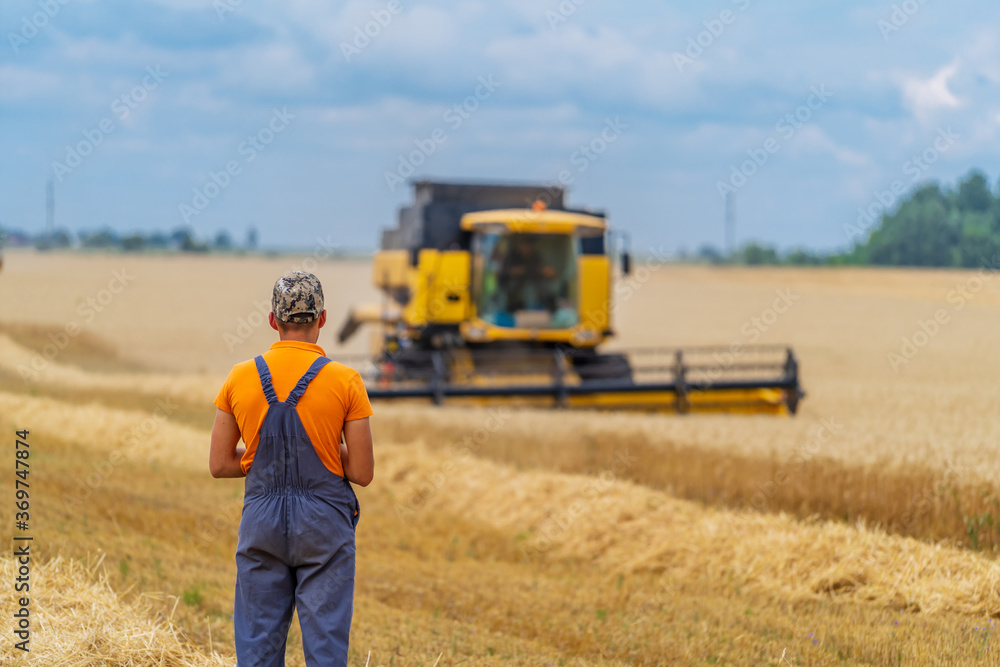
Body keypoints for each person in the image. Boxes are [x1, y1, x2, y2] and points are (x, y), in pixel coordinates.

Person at [209, 271, 374, 667]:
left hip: (261, 521)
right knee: (325, 649)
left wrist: (261, 458)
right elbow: (363, 472)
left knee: (257, 648)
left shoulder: (240, 377)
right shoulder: (346, 381)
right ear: (322, 319)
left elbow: (219, 464)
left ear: (272, 321)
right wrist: (327, 445)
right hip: (325, 526)